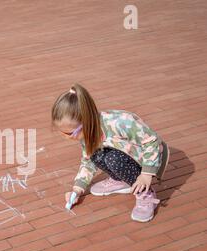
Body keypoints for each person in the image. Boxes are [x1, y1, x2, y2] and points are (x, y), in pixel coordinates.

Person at [51, 83, 169, 222]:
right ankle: (121, 179)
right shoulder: (87, 132)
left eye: (69, 133)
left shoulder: (121, 122)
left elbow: (152, 142)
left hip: (151, 159)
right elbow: (88, 161)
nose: (65, 137)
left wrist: (146, 174)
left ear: (86, 122)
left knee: (114, 159)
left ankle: (146, 194)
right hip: (127, 156)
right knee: (95, 155)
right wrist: (77, 189)